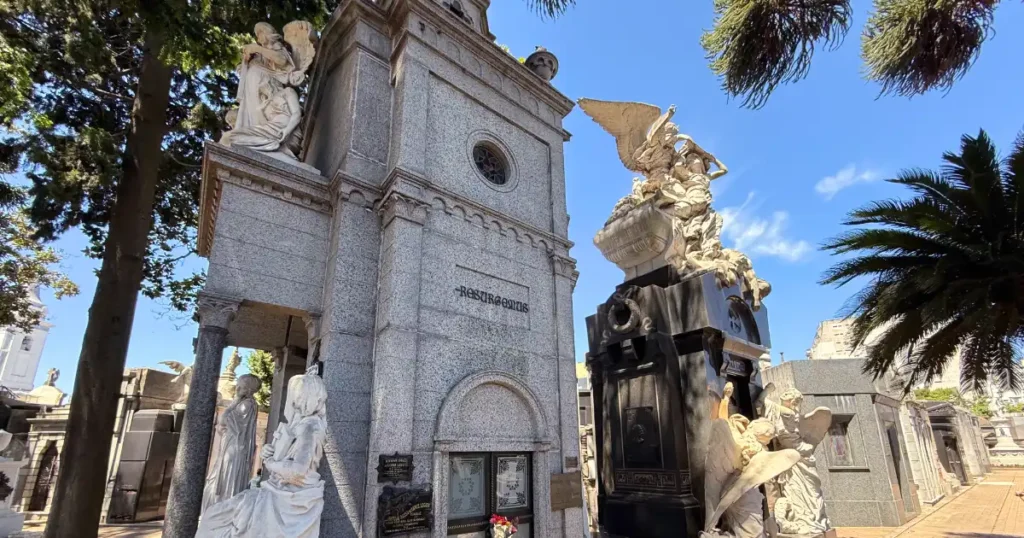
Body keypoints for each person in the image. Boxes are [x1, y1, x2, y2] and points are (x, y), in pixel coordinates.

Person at [196, 374, 328, 538]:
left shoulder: (310, 426)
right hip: (276, 489)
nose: (292, 400)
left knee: (215, 517)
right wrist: (269, 450)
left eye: (295, 394)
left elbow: (298, 469)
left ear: (306, 396)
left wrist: (270, 462)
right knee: (214, 515)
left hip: (287, 495)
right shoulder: (300, 423)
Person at [201, 374, 261, 514]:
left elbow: (224, 419)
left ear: (248, 389)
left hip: (236, 449)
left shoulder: (247, 404)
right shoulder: (243, 403)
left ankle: (224, 509)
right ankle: (216, 508)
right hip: (230, 445)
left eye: (241, 386)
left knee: (229, 477)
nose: (237, 388)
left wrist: (234, 402)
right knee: (217, 479)